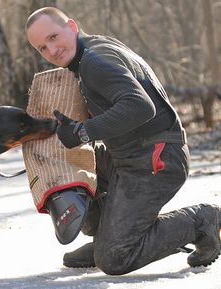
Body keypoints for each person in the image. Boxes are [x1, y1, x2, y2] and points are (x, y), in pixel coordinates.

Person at [26, 7, 220, 275]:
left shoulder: (94, 61)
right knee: (67, 168)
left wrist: (84, 132)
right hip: (128, 155)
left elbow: (140, 106)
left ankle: (200, 221)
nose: (51, 50)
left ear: (71, 26)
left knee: (115, 259)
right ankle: (107, 236)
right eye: (42, 48)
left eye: (53, 37)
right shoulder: (90, 53)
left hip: (155, 159)